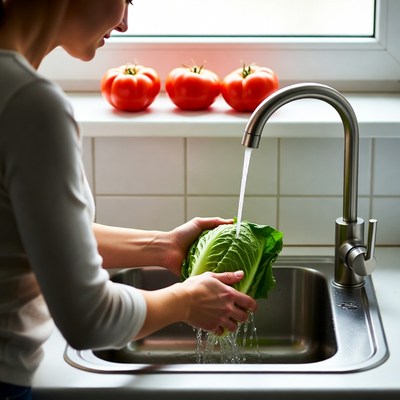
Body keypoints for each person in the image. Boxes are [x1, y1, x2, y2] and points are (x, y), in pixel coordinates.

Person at [0, 1, 257, 398]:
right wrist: (186, 302)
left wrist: (163, 247)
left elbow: (24, 232)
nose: (124, 23)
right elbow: (88, 319)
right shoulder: (30, 104)